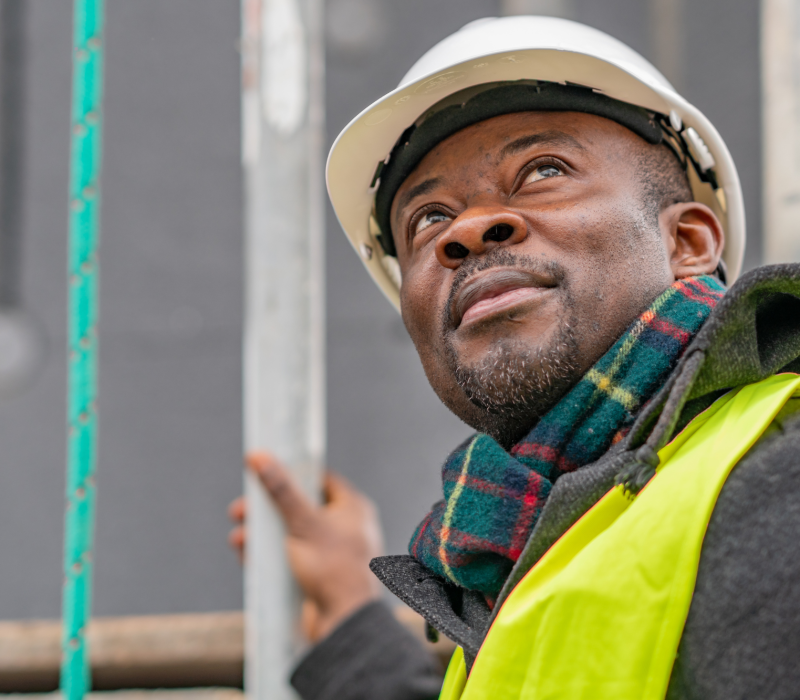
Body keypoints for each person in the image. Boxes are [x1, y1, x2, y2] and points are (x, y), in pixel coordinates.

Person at [229, 16, 800, 700]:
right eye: (428, 220)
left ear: (687, 243)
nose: (467, 229)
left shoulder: (779, 480)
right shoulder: (520, 558)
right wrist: (354, 617)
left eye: (543, 171)